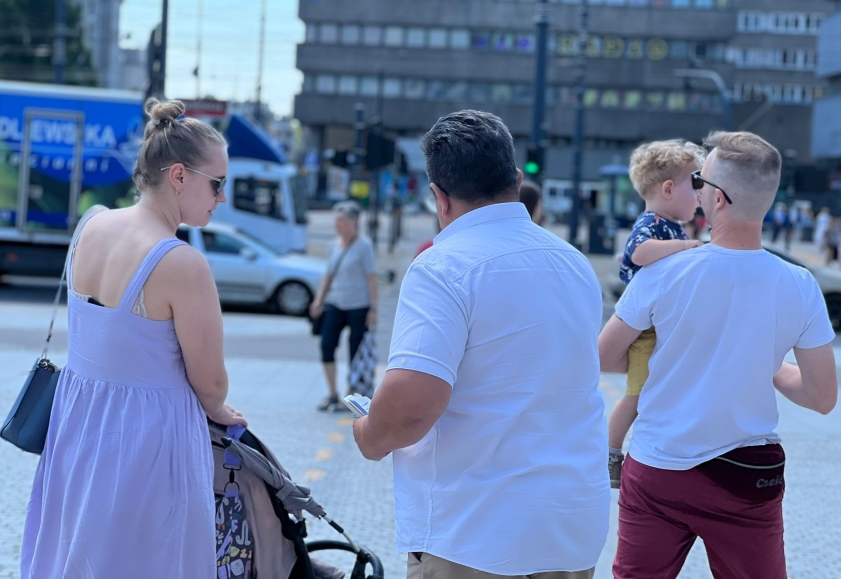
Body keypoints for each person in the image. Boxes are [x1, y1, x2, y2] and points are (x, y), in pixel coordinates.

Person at [353, 110, 609, 579]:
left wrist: (369, 434)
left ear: (439, 197)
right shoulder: (573, 262)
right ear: (516, 180)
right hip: (570, 524)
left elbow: (411, 404)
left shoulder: (442, 266)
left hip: (476, 530)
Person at [22, 99, 247, 577]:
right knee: (148, 559)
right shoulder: (181, 263)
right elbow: (210, 382)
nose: (222, 197)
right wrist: (220, 410)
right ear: (179, 176)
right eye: (218, 183)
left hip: (78, 423)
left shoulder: (92, 224)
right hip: (147, 437)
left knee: (77, 550)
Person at [599, 131, 838, 579]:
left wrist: (669, 358)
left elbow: (606, 357)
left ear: (719, 198)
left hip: (659, 468)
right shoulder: (799, 284)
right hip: (746, 477)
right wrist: (764, 365)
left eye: (700, 181)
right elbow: (822, 397)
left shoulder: (663, 271)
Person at [608, 140, 705, 488]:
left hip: (657, 324)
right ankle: (611, 452)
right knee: (637, 395)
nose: (701, 194)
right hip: (645, 329)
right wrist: (686, 246)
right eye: (695, 183)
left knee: (649, 392)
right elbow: (638, 252)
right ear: (668, 189)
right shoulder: (653, 222)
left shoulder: (670, 225)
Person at [309, 201, 378, 411]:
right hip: (335, 302)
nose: (337, 224)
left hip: (359, 304)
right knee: (327, 345)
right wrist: (318, 299)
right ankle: (332, 394)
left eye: (341, 220)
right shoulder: (333, 245)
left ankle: (351, 395)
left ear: (353, 222)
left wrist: (373, 309)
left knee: (355, 351)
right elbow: (328, 275)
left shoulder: (364, 246)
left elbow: (372, 278)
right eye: (336, 220)